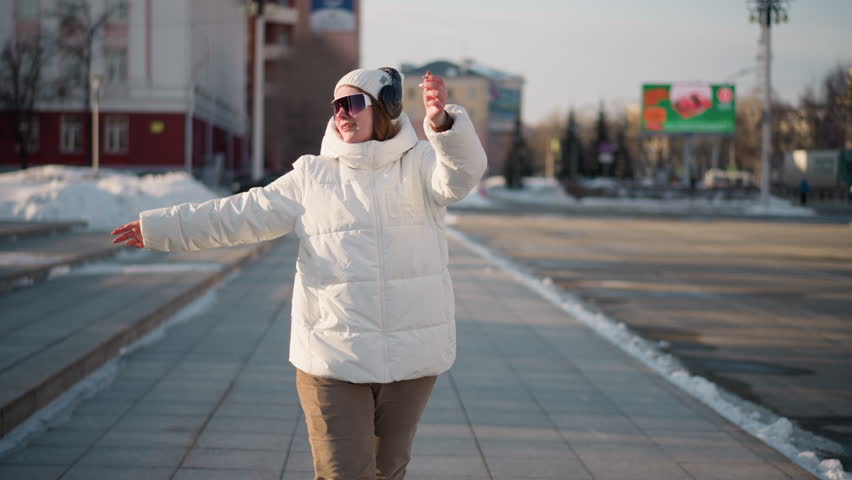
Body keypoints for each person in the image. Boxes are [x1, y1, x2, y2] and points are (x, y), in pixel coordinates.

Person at [111, 67, 487, 480]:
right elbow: (239, 214)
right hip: (333, 357)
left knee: (388, 469)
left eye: (354, 103)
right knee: (344, 474)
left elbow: (461, 175)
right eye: (337, 105)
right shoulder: (313, 177)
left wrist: (442, 124)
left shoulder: (419, 166)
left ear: (385, 109)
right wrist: (162, 227)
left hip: (410, 356)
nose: (342, 113)